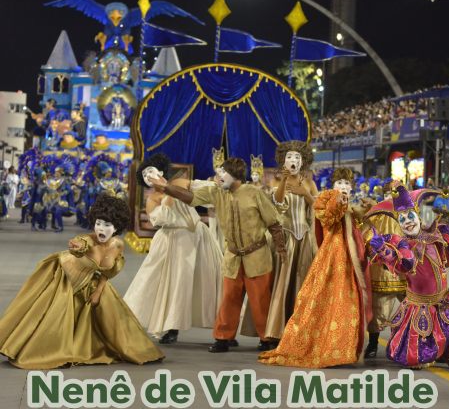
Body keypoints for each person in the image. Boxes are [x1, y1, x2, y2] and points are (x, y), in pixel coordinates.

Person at [0, 194, 164, 369]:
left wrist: (99, 291)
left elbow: (107, 273)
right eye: (98, 223)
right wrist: (76, 247)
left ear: (116, 227)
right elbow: (80, 245)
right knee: (51, 321)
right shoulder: (87, 240)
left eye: (107, 225)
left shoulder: (118, 245)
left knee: (110, 315)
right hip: (65, 281)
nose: (101, 228)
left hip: (91, 284)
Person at [149, 157, 286, 353]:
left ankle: (267, 338)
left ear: (236, 175)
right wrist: (166, 188)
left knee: (260, 298)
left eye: (223, 173)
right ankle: (223, 337)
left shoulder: (254, 194)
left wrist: (281, 249)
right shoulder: (216, 192)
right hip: (232, 256)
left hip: (257, 254)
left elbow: (273, 222)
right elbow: (190, 197)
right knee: (229, 297)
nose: (218, 176)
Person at [367, 185, 449, 369]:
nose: (408, 221)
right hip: (419, 308)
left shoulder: (439, 233)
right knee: (416, 359)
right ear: (398, 223)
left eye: (410, 216)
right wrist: (383, 249)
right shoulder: (401, 245)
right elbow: (405, 264)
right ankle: (438, 349)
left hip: (443, 300)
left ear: (418, 214)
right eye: (402, 219)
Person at [260, 168, 371, 368]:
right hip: (331, 257)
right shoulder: (326, 200)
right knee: (324, 300)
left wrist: (367, 210)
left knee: (348, 302)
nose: (343, 187)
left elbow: (360, 223)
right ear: (332, 186)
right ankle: (325, 346)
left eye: (347, 184)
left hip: (350, 260)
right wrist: (338, 202)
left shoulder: (351, 205)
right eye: (339, 184)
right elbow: (328, 218)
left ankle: (344, 348)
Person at [123, 154, 223, 344]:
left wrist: (214, 183)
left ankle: (223, 330)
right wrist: (168, 193)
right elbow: (161, 219)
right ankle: (170, 326)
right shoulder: (152, 199)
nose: (148, 177)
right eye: (144, 175)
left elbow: (202, 191)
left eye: (151, 172)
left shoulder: (180, 182)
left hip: (199, 237)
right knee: (175, 283)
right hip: (174, 241)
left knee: (210, 278)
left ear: (160, 172)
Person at [261, 141, 319, 348]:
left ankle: (301, 331)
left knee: (301, 285)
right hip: (285, 240)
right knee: (281, 285)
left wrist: (306, 193)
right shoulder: (277, 181)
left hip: (304, 239)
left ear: (303, 160)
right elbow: (278, 204)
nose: (293, 161)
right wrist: (285, 181)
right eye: (289, 157)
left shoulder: (309, 182)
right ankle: (275, 332)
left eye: (297, 157)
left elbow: (319, 207)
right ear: (283, 160)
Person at [361, 183, 406, 359]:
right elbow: (366, 235)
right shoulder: (375, 214)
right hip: (381, 269)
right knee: (378, 310)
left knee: (414, 307)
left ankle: (409, 340)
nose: (392, 196)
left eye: (396, 192)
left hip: (405, 270)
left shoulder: (407, 214)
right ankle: (373, 343)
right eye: (390, 193)